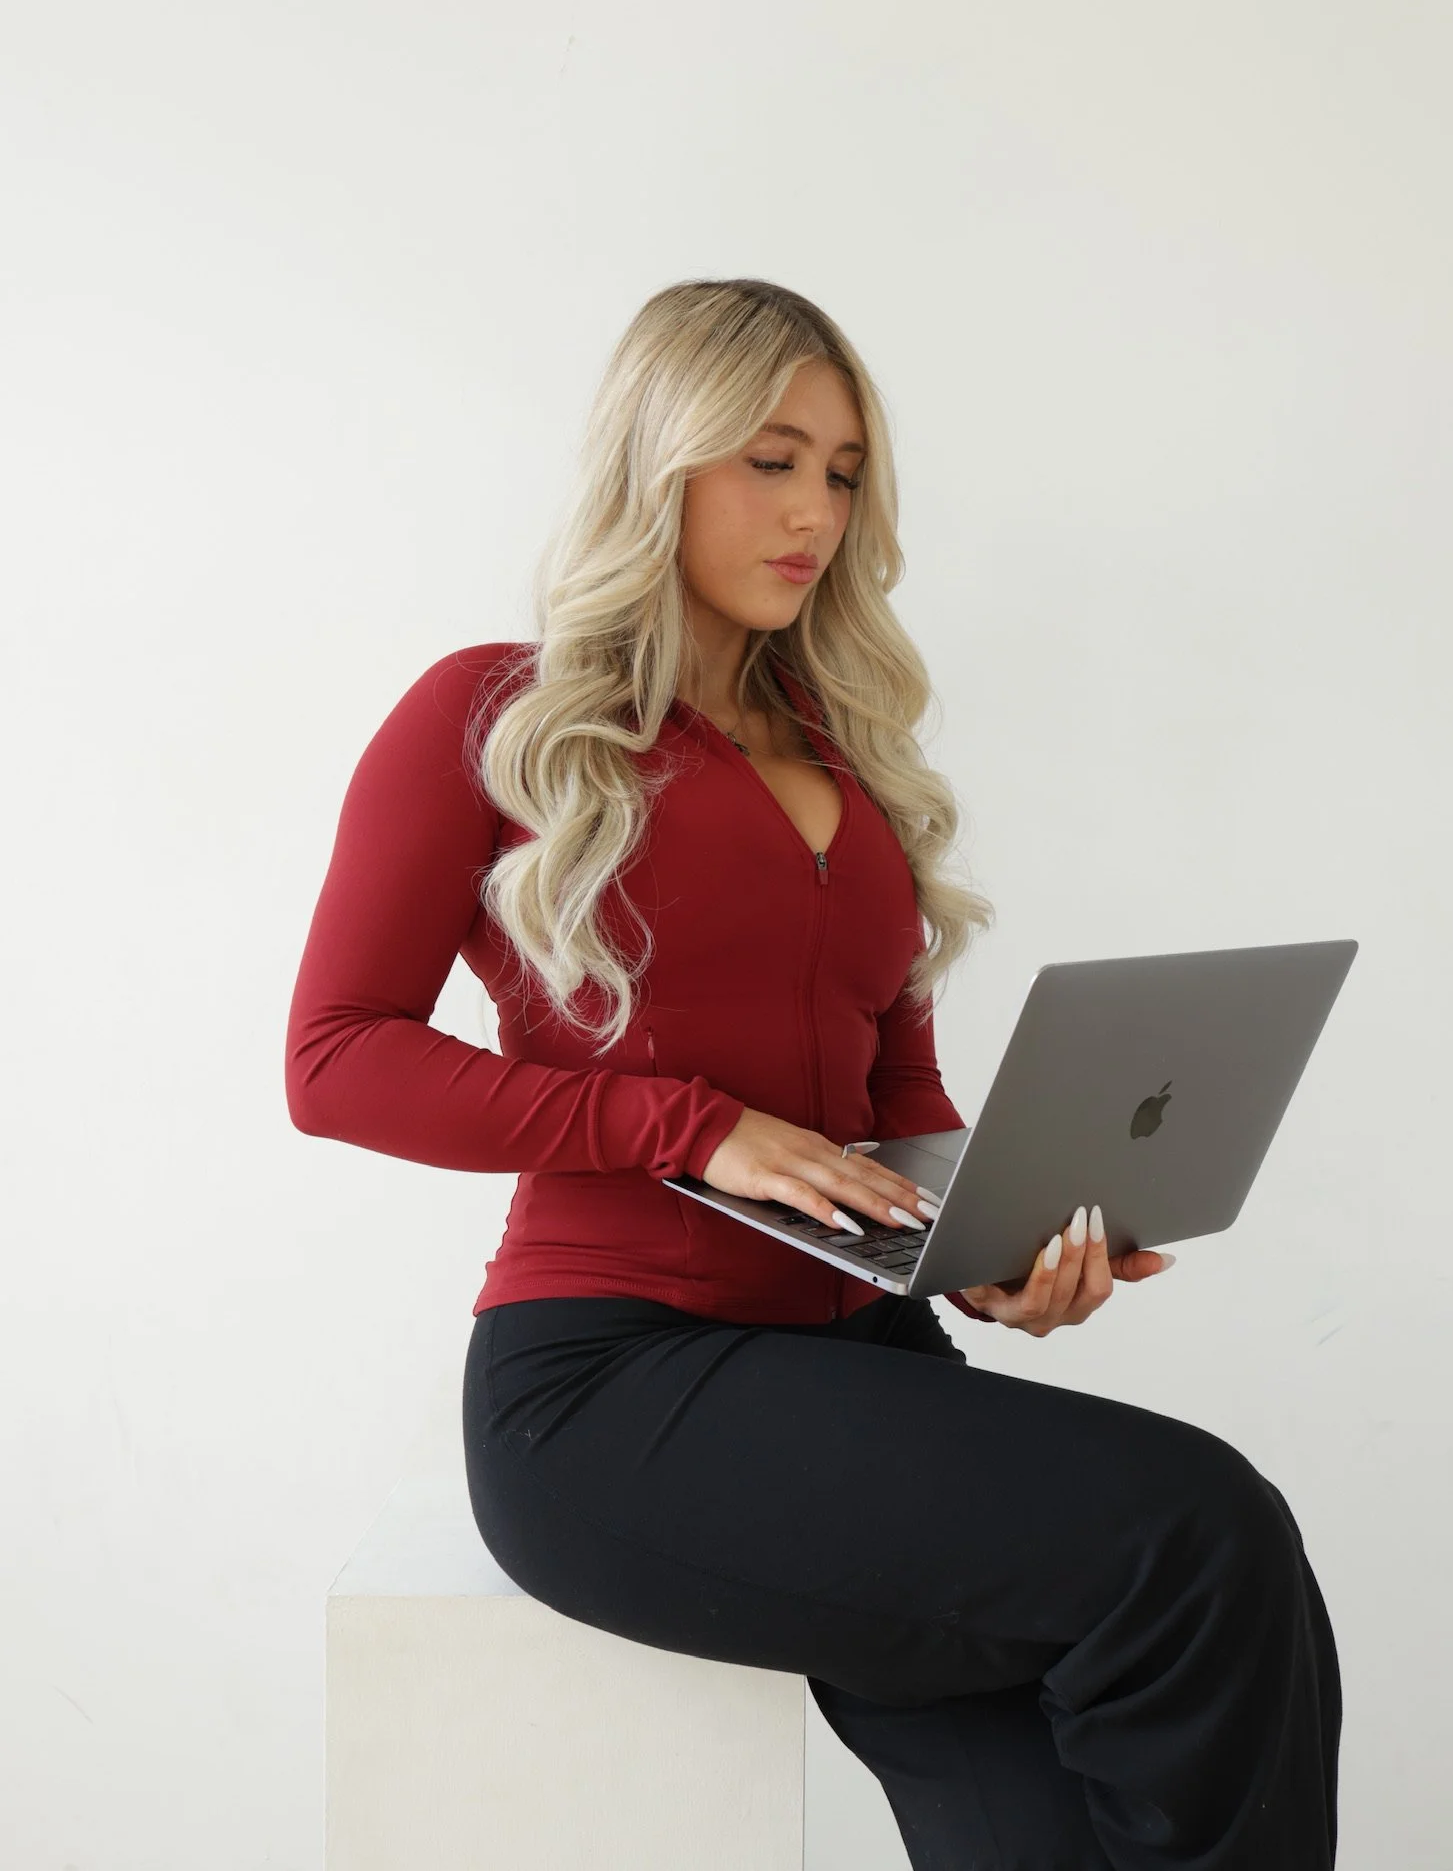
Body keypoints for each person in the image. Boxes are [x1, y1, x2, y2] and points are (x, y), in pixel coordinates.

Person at [285, 277, 1341, 1869]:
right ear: (663, 459)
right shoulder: (497, 719)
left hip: (869, 1364)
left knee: (1047, 1821)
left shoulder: (844, 755)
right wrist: (690, 1127)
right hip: (612, 1387)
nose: (816, 513)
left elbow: (898, 1100)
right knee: (1202, 1538)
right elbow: (335, 1060)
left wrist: (996, 1251)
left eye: (843, 473)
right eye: (771, 460)